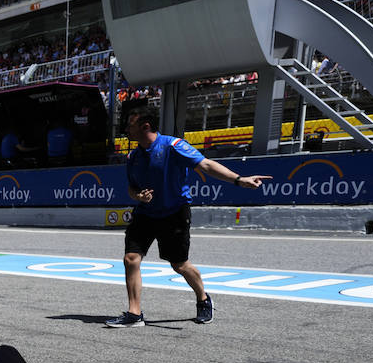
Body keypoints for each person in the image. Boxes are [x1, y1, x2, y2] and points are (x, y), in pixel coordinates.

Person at [106, 108, 270, 328]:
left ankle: (203, 299)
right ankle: (135, 314)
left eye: (130, 124)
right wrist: (138, 196)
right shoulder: (133, 156)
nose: (126, 129)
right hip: (145, 214)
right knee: (131, 259)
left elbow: (206, 165)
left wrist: (239, 180)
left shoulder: (173, 146)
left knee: (180, 265)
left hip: (174, 213)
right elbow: (131, 189)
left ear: (145, 126)